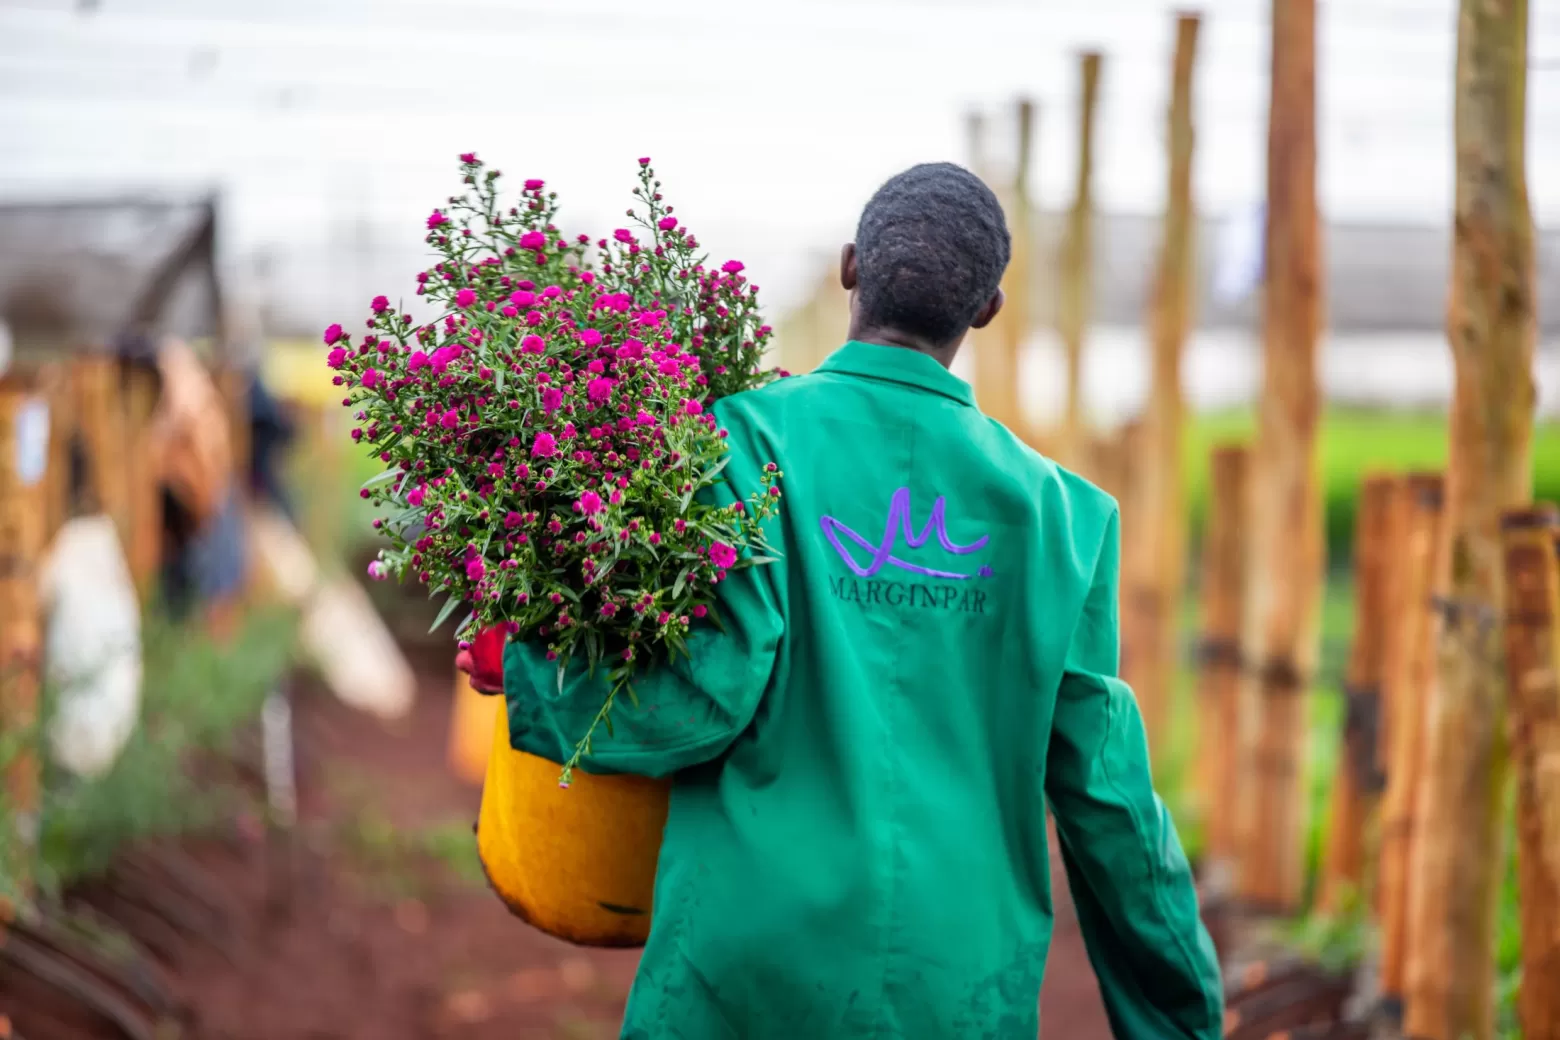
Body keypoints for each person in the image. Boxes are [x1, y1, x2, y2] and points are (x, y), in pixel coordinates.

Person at [494, 162, 1223, 1038]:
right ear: (985, 310)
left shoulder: (741, 440)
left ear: (850, 268)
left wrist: (529, 670)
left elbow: (701, 696)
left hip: (748, 981)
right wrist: (1180, 1020)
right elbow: (1110, 803)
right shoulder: (1065, 518)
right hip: (958, 989)